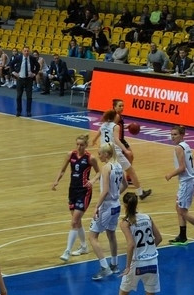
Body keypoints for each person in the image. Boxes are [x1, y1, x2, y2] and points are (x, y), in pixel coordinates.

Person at [118, 193, 163, 295]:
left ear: (125, 205)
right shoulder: (147, 217)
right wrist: (149, 251)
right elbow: (159, 238)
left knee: (123, 294)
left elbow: (131, 245)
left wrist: (127, 266)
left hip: (137, 263)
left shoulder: (125, 223)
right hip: (152, 262)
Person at [52, 134, 101, 262]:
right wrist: (56, 181)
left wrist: (93, 180)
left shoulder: (90, 158)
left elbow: (99, 172)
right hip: (72, 190)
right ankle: (84, 247)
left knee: (74, 222)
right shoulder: (70, 155)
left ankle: (67, 251)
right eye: (77, 144)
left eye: (82, 145)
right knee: (77, 222)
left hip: (84, 191)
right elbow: (62, 170)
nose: (79, 147)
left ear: (86, 145)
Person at [94, 100, 152, 201]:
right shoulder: (116, 121)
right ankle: (140, 193)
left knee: (112, 172)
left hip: (105, 150)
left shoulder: (104, 125)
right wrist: (125, 149)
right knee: (130, 171)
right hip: (114, 150)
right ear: (114, 109)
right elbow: (116, 138)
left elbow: (101, 132)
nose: (122, 108)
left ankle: (108, 190)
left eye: (122, 106)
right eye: (120, 106)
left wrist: (94, 140)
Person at [88, 143, 128, 280]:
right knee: (111, 234)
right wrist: (115, 194)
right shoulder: (119, 166)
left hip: (106, 206)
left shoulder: (106, 168)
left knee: (92, 236)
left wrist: (96, 207)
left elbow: (105, 191)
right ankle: (115, 265)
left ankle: (104, 267)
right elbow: (125, 185)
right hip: (116, 205)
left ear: (106, 154)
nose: (98, 156)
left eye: (100, 153)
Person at [12, 46, 40, 117]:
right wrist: (14, 73)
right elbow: (11, 64)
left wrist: (34, 73)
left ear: (29, 51)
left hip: (29, 79)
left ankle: (28, 111)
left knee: (29, 96)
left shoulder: (32, 58)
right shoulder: (18, 58)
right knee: (19, 96)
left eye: (27, 51)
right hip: (20, 79)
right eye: (25, 51)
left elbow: (38, 66)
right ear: (22, 51)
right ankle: (18, 111)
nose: (26, 52)